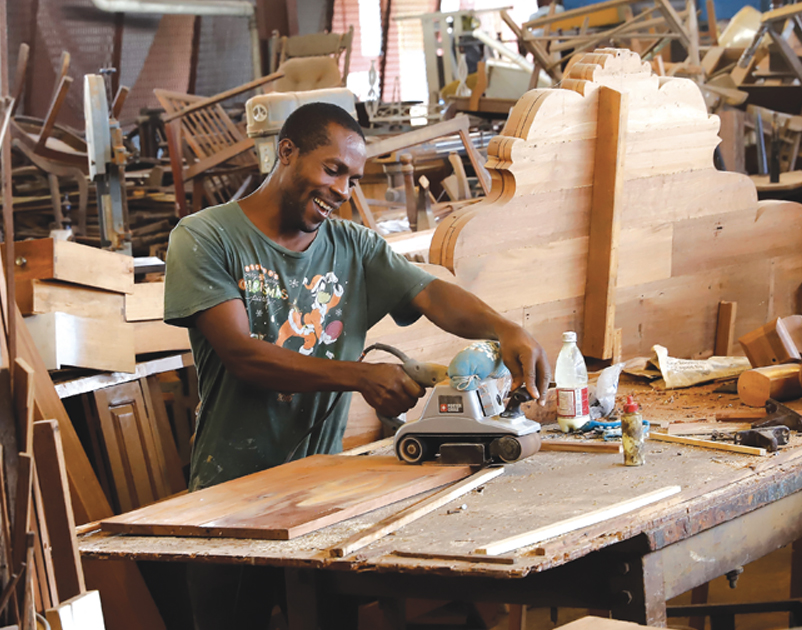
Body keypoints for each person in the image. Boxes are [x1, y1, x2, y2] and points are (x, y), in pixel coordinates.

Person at [163, 102, 550, 628]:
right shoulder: (205, 237)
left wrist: (504, 328)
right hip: (230, 494)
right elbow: (242, 355)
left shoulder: (354, 246)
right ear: (287, 152)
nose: (343, 191)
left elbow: (432, 294)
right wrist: (360, 377)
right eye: (332, 169)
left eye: (353, 178)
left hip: (322, 495)